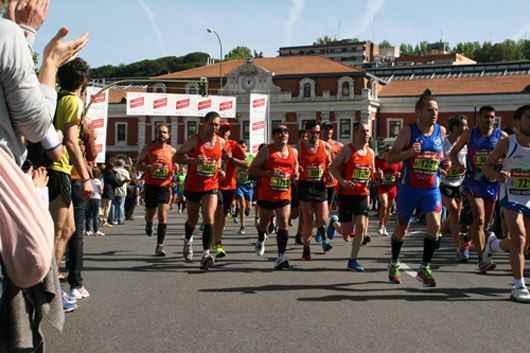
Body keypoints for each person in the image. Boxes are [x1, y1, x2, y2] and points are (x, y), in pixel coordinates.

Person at [0, 0, 89, 347]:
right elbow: (35, 122)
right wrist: (43, 56)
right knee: (34, 258)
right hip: (15, 173)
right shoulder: (6, 35)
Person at [384, 91, 448, 287]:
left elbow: (440, 156)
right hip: (409, 188)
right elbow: (390, 158)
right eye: (430, 110)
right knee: (402, 228)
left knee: (435, 225)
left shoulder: (441, 131)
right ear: (418, 112)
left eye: (436, 110)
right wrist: (410, 152)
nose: (434, 113)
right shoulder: (408, 131)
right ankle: (394, 263)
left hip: (431, 188)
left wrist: (444, 164)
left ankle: (424, 267)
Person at [48, 58, 94, 300]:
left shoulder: (55, 97)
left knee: (68, 229)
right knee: (58, 232)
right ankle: (49, 292)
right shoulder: (73, 101)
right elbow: (71, 141)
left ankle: (52, 287)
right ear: (84, 81)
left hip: (57, 168)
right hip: (58, 168)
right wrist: (86, 177)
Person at [449, 106, 508, 272]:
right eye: (486, 117)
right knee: (480, 219)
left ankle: (466, 238)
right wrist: (459, 166)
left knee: (485, 222)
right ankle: (483, 259)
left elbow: (509, 157)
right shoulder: (469, 135)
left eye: (492, 117)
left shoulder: (501, 136)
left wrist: (501, 163)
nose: (489, 120)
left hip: (492, 182)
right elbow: (453, 153)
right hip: (474, 181)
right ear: (479, 118)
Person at [482, 105, 530, 303]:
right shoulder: (507, 144)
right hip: (511, 196)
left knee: (525, 245)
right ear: (517, 122)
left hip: (529, 198)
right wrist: (498, 175)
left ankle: (494, 244)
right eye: (529, 118)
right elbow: (486, 167)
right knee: (519, 238)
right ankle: (519, 286)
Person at [173, 112, 226, 269]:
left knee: (209, 217)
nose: (214, 128)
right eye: (211, 124)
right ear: (205, 124)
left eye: (217, 125)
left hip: (211, 184)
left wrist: (220, 170)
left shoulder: (221, 142)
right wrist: (193, 160)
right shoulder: (194, 140)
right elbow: (176, 157)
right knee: (192, 220)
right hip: (193, 185)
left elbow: (218, 160)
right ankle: (188, 240)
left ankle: (206, 254)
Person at [249, 125, 299, 270]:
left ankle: (281, 256)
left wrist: (296, 174)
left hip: (284, 192)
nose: (283, 134)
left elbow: (295, 166)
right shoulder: (266, 151)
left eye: (285, 132)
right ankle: (260, 238)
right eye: (279, 132)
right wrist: (268, 173)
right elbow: (252, 169)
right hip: (267, 194)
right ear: (273, 136)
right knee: (264, 224)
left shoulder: (293, 151)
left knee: (283, 222)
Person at [328, 121, 375, 272]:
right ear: (355, 133)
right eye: (363, 131)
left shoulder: (371, 152)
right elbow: (332, 167)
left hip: (362, 194)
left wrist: (377, 176)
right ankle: (334, 223)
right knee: (346, 232)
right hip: (346, 195)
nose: (366, 134)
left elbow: (371, 173)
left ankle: (352, 260)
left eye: (367, 131)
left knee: (361, 227)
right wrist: (342, 181)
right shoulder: (347, 150)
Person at [136, 124, 176, 256]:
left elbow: (178, 163)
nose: (162, 134)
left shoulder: (171, 151)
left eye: (164, 132)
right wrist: (149, 168)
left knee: (163, 215)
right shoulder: (148, 148)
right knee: (150, 214)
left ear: (168, 135)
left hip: (165, 186)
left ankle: (160, 245)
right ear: (155, 133)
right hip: (151, 186)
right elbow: (138, 166)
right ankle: (148, 223)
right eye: (160, 132)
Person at [295, 120, 333, 260]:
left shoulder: (326, 146)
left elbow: (329, 163)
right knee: (308, 218)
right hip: (305, 185)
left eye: (318, 132)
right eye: (312, 132)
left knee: (322, 220)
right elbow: (294, 164)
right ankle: (306, 248)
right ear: (306, 133)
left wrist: (328, 172)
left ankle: (308, 231)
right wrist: (296, 170)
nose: (315, 135)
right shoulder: (298, 148)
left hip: (320, 185)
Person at [212, 121, 248, 257]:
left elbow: (246, 163)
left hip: (230, 186)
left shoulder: (234, 145)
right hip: (214, 184)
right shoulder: (211, 144)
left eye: (227, 130)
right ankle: (218, 245)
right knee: (218, 211)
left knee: (224, 215)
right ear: (217, 130)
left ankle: (215, 237)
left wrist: (232, 159)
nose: (225, 132)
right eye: (222, 129)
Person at [439, 115, 469, 261]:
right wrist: (442, 165)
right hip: (445, 182)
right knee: (455, 214)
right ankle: (460, 249)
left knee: (454, 215)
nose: (467, 128)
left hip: (460, 182)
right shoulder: (443, 142)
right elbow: (436, 159)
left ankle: (439, 231)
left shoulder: (464, 143)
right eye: (464, 125)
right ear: (455, 127)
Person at [374, 146, 402, 236]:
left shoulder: (397, 163)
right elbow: (371, 173)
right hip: (382, 187)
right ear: (384, 152)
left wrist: (399, 175)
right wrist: (376, 181)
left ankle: (384, 226)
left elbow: (402, 173)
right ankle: (381, 224)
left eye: (391, 150)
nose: (389, 152)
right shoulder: (378, 162)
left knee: (389, 208)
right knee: (384, 205)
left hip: (392, 188)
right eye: (387, 150)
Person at [234, 140, 254, 234]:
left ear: (246, 147)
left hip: (248, 184)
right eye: (240, 147)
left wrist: (249, 167)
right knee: (241, 203)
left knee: (248, 207)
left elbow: (255, 166)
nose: (242, 148)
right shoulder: (235, 158)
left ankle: (247, 209)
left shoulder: (250, 156)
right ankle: (242, 226)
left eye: (243, 146)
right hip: (239, 184)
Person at [109, 158, 130, 225]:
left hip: (113, 189)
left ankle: (112, 219)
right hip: (122, 190)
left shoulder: (114, 171)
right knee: (121, 206)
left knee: (113, 205)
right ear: (123, 165)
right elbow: (128, 180)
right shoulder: (125, 171)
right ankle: (120, 219)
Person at [85, 166, 104, 236]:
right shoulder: (97, 181)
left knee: (88, 214)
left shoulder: (89, 180)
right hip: (96, 197)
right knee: (95, 215)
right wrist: (101, 192)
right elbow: (101, 190)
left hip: (90, 197)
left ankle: (88, 230)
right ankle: (96, 230)